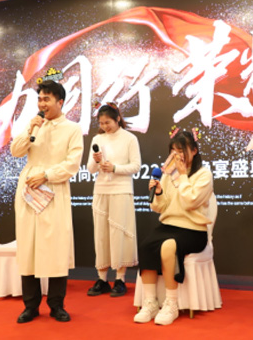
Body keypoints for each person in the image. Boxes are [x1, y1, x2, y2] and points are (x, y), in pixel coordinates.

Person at [10, 80, 83, 324]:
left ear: (60, 102)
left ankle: (56, 305)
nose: (42, 104)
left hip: (54, 188)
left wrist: (47, 175)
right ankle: (30, 306)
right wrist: (30, 128)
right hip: (29, 189)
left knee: (56, 247)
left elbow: (72, 163)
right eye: (40, 99)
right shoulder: (33, 124)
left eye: (47, 99)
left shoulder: (72, 129)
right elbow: (16, 151)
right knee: (28, 246)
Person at [134, 131, 214, 326]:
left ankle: (171, 303)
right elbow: (159, 207)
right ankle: (151, 302)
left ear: (194, 151)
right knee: (146, 245)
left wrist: (183, 176)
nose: (177, 155)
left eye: (181, 150)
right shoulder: (168, 174)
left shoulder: (203, 174)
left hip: (193, 230)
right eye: (173, 151)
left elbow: (190, 202)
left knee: (169, 246)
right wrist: (158, 193)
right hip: (168, 225)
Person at [86, 103, 141, 297]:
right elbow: (90, 169)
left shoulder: (129, 138)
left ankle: (120, 279)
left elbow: (136, 166)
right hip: (101, 190)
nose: (104, 126)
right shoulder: (97, 139)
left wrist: (115, 168)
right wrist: (96, 160)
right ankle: (102, 279)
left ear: (117, 119)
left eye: (107, 122)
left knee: (119, 233)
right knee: (101, 234)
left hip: (121, 190)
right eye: (101, 123)